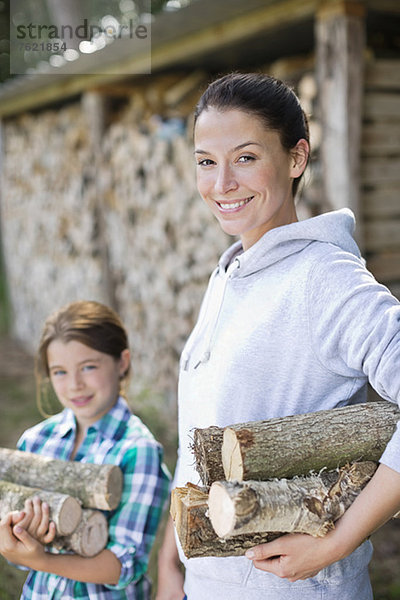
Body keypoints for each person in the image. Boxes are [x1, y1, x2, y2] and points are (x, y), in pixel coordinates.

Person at [156, 72, 400, 600]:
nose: (221, 184)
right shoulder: (229, 275)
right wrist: (171, 559)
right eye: (206, 161)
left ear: (296, 158)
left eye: (245, 157)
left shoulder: (325, 278)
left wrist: (336, 541)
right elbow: (200, 431)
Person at [0, 300, 170, 599]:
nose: (75, 384)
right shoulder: (36, 441)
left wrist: (43, 560)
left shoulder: (137, 450)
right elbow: (17, 553)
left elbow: (123, 565)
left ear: (122, 362)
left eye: (88, 367)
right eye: (60, 372)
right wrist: (21, 545)